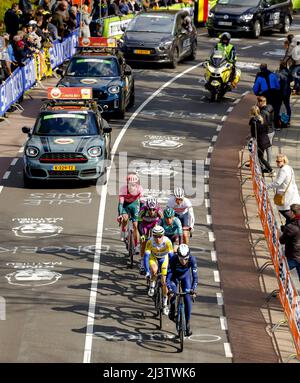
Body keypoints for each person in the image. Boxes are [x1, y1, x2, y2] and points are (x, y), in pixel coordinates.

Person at [166, 243, 198, 336]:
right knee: (173, 294)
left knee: (188, 301)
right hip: (174, 277)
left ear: (189, 257)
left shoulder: (192, 259)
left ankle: (187, 324)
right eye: (181, 259)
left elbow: (195, 277)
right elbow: (168, 277)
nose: (183, 261)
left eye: (186, 259)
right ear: (178, 256)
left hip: (185, 277)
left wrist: (192, 289)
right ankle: (172, 310)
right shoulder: (173, 259)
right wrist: (170, 290)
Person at [144, 225, 174, 315]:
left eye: (160, 236)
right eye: (155, 236)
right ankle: (152, 284)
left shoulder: (167, 242)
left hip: (164, 258)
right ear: (153, 235)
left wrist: (172, 270)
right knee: (154, 270)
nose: (158, 238)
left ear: (163, 235)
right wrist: (147, 271)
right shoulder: (150, 241)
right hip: (154, 258)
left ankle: (165, 304)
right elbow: (146, 257)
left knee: (164, 282)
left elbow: (171, 257)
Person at [267, 154, 300, 225]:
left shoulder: (283, 170)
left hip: (286, 197)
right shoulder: (289, 167)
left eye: (279, 161)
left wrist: (267, 186)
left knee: (287, 214)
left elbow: (277, 183)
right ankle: (287, 231)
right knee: (289, 217)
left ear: (284, 161)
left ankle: (291, 229)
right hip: (292, 195)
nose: (277, 163)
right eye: (276, 161)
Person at [117, 173, 145, 254]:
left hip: (134, 204)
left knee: (136, 225)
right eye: (130, 185)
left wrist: (141, 213)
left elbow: (142, 203)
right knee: (125, 218)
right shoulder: (123, 189)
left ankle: (136, 246)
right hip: (125, 204)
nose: (133, 186)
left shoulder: (140, 189)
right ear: (127, 184)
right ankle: (123, 231)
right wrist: (120, 214)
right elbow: (120, 204)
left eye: (135, 184)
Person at [138, 197, 163, 274]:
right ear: (147, 208)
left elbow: (162, 223)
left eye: (153, 210)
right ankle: (142, 263)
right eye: (149, 209)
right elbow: (139, 224)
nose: (151, 212)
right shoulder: (142, 211)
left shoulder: (159, 211)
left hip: (154, 224)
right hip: (144, 224)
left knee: (157, 240)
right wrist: (142, 235)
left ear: (156, 208)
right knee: (144, 242)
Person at [253, 64, 281, 130]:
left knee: (264, 110)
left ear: (260, 69)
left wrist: (257, 93)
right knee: (275, 109)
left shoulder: (259, 77)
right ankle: (277, 125)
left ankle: (266, 125)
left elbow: (255, 89)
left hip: (265, 95)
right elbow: (278, 86)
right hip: (274, 94)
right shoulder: (272, 75)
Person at [249, 105, 274, 176]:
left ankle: (271, 170)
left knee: (260, 156)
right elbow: (266, 129)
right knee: (260, 155)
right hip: (265, 139)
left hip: (260, 141)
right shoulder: (262, 118)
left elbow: (253, 134)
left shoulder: (253, 121)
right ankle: (261, 169)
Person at [279, 204, 300, 281]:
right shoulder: (291, 227)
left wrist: (285, 231)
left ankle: (282, 292)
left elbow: (282, 240)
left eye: (290, 211)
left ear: (293, 213)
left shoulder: (290, 227)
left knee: (282, 274)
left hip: (293, 256)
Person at [256, 96, 274, 166]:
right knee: (269, 149)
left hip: (266, 132)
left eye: (258, 102)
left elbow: (262, 123)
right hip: (271, 130)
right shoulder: (270, 107)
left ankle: (264, 166)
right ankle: (268, 164)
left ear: (261, 102)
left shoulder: (263, 112)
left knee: (262, 149)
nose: (257, 104)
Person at [277, 61, 293, 126]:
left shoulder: (279, 73)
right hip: (287, 92)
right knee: (287, 106)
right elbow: (292, 79)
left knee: (278, 106)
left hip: (280, 92)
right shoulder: (288, 72)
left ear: (280, 66)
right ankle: (288, 121)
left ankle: (277, 120)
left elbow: (277, 83)